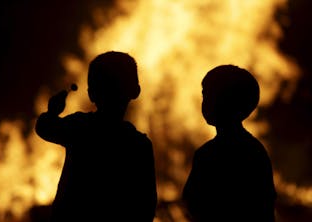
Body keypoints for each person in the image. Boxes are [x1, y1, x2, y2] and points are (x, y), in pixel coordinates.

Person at [35, 51, 157, 222]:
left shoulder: (80, 127)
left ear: (91, 94)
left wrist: (52, 111)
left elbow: (44, 128)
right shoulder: (140, 144)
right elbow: (147, 204)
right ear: (135, 91)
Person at [182, 65, 277, 222]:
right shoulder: (255, 151)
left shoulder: (208, 154)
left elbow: (193, 201)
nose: (205, 102)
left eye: (209, 95)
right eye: (204, 94)